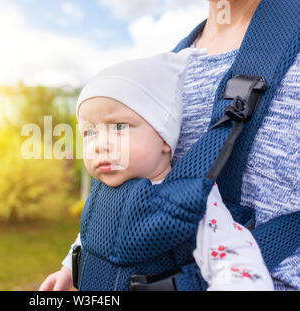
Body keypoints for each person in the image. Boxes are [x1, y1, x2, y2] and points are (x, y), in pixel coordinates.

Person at [40, 0, 299, 290]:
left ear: (164, 141)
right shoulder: (160, 76)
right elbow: (97, 232)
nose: (101, 144)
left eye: (119, 128)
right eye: (89, 133)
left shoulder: (194, 201)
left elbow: (233, 255)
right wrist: (71, 266)